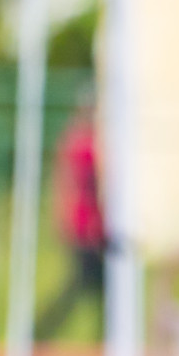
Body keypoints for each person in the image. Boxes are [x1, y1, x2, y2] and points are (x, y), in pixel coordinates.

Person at [36, 91, 106, 341]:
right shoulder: (86, 144)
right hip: (87, 226)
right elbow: (90, 186)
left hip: (80, 224)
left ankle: (41, 332)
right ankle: (40, 332)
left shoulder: (72, 140)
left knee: (90, 288)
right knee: (81, 288)